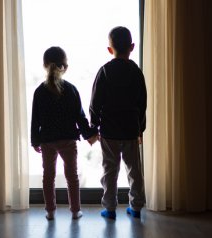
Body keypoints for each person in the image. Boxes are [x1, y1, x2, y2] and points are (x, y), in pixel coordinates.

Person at [31, 46, 98, 220]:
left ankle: (50, 211)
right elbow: (80, 118)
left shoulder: (39, 92)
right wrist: (90, 134)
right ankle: (75, 211)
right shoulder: (71, 90)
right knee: (72, 176)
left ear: (45, 65)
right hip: (68, 140)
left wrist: (35, 141)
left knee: (48, 176)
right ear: (65, 67)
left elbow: (35, 120)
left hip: (47, 140)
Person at [90, 26, 147, 219]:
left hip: (109, 130)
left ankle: (110, 208)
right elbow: (142, 103)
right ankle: (136, 206)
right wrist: (141, 128)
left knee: (110, 170)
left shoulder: (105, 71)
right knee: (134, 170)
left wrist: (93, 126)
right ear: (132, 47)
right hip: (131, 129)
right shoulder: (136, 72)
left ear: (109, 49)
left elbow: (95, 102)